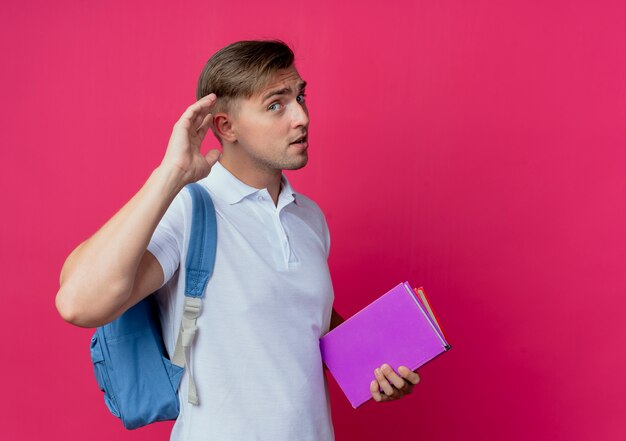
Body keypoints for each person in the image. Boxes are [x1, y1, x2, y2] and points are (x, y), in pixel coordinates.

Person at [55, 40, 421, 440]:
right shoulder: (189, 209)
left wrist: (376, 370)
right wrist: (171, 173)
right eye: (276, 105)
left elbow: (299, 322)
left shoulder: (308, 217)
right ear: (226, 127)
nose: (301, 116)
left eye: (300, 97)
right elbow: (78, 304)